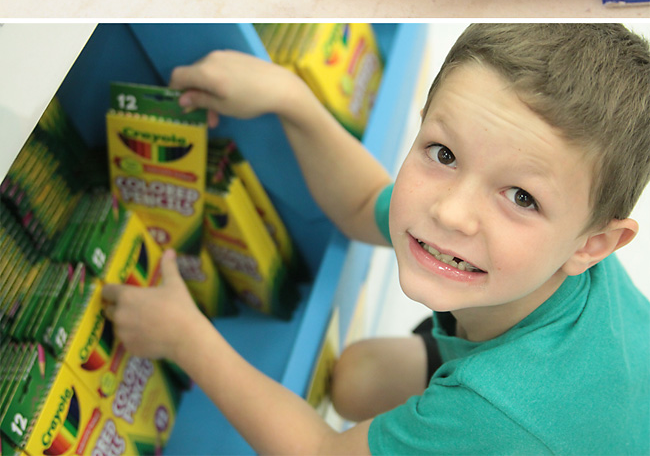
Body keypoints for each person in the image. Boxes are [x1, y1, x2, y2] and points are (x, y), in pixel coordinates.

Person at [101, 23, 650, 455]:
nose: (452, 212)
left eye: (522, 198)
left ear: (593, 245)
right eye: (443, 153)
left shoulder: (499, 409)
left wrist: (184, 339)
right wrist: (290, 98)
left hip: (539, 423)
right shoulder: (552, 247)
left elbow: (320, 449)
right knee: (356, 380)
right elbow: (365, 205)